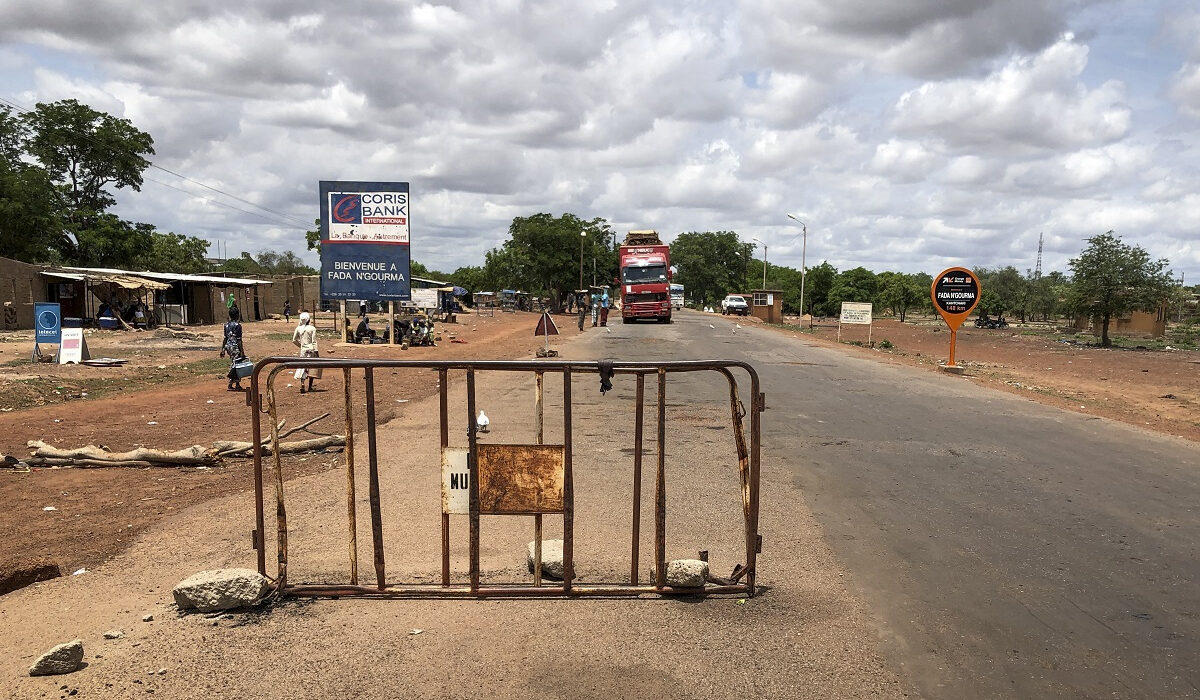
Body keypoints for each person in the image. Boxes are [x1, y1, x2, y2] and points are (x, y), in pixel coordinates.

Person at [220, 306, 246, 391]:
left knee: (236, 363)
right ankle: (231, 383)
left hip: (229, 347)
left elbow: (225, 338)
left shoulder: (226, 325)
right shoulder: (238, 326)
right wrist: (242, 351)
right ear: (237, 315)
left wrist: (223, 349)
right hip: (235, 347)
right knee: (236, 365)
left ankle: (237, 384)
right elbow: (239, 340)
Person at [292, 311, 319, 394]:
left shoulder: (298, 328)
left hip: (303, 350)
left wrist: (301, 346)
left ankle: (302, 383)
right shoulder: (312, 328)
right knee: (312, 367)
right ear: (308, 320)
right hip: (311, 349)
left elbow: (294, 340)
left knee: (303, 367)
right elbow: (314, 341)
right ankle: (310, 386)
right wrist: (316, 351)